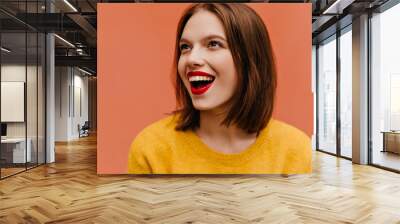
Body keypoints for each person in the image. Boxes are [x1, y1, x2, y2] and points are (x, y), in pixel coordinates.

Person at [128, 3, 312, 174]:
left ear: (251, 59)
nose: (191, 59)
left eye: (213, 44)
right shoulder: (150, 147)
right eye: (185, 47)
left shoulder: (295, 149)